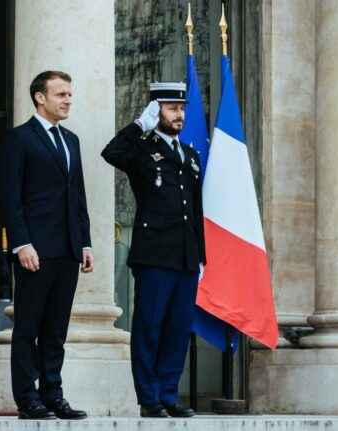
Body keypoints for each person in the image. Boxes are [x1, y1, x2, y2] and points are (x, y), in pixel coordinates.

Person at [101, 82, 205, 418]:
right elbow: (111, 152)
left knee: (178, 328)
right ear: (155, 111)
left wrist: (201, 255)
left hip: (186, 256)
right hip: (155, 255)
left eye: (182, 109)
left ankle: (169, 393)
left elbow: (196, 209)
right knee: (150, 326)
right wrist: (138, 126)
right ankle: (149, 397)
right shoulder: (141, 150)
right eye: (172, 108)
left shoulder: (189, 155)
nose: (180, 115)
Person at [0, 70, 92, 420]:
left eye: (70, 94)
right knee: (28, 326)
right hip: (33, 250)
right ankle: (28, 398)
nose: (68, 100)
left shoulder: (72, 141)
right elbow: (11, 199)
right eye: (61, 94)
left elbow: (77, 197)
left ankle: (53, 393)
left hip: (67, 250)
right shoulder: (19, 139)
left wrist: (85, 242)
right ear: (40, 97)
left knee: (56, 329)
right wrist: (21, 243)